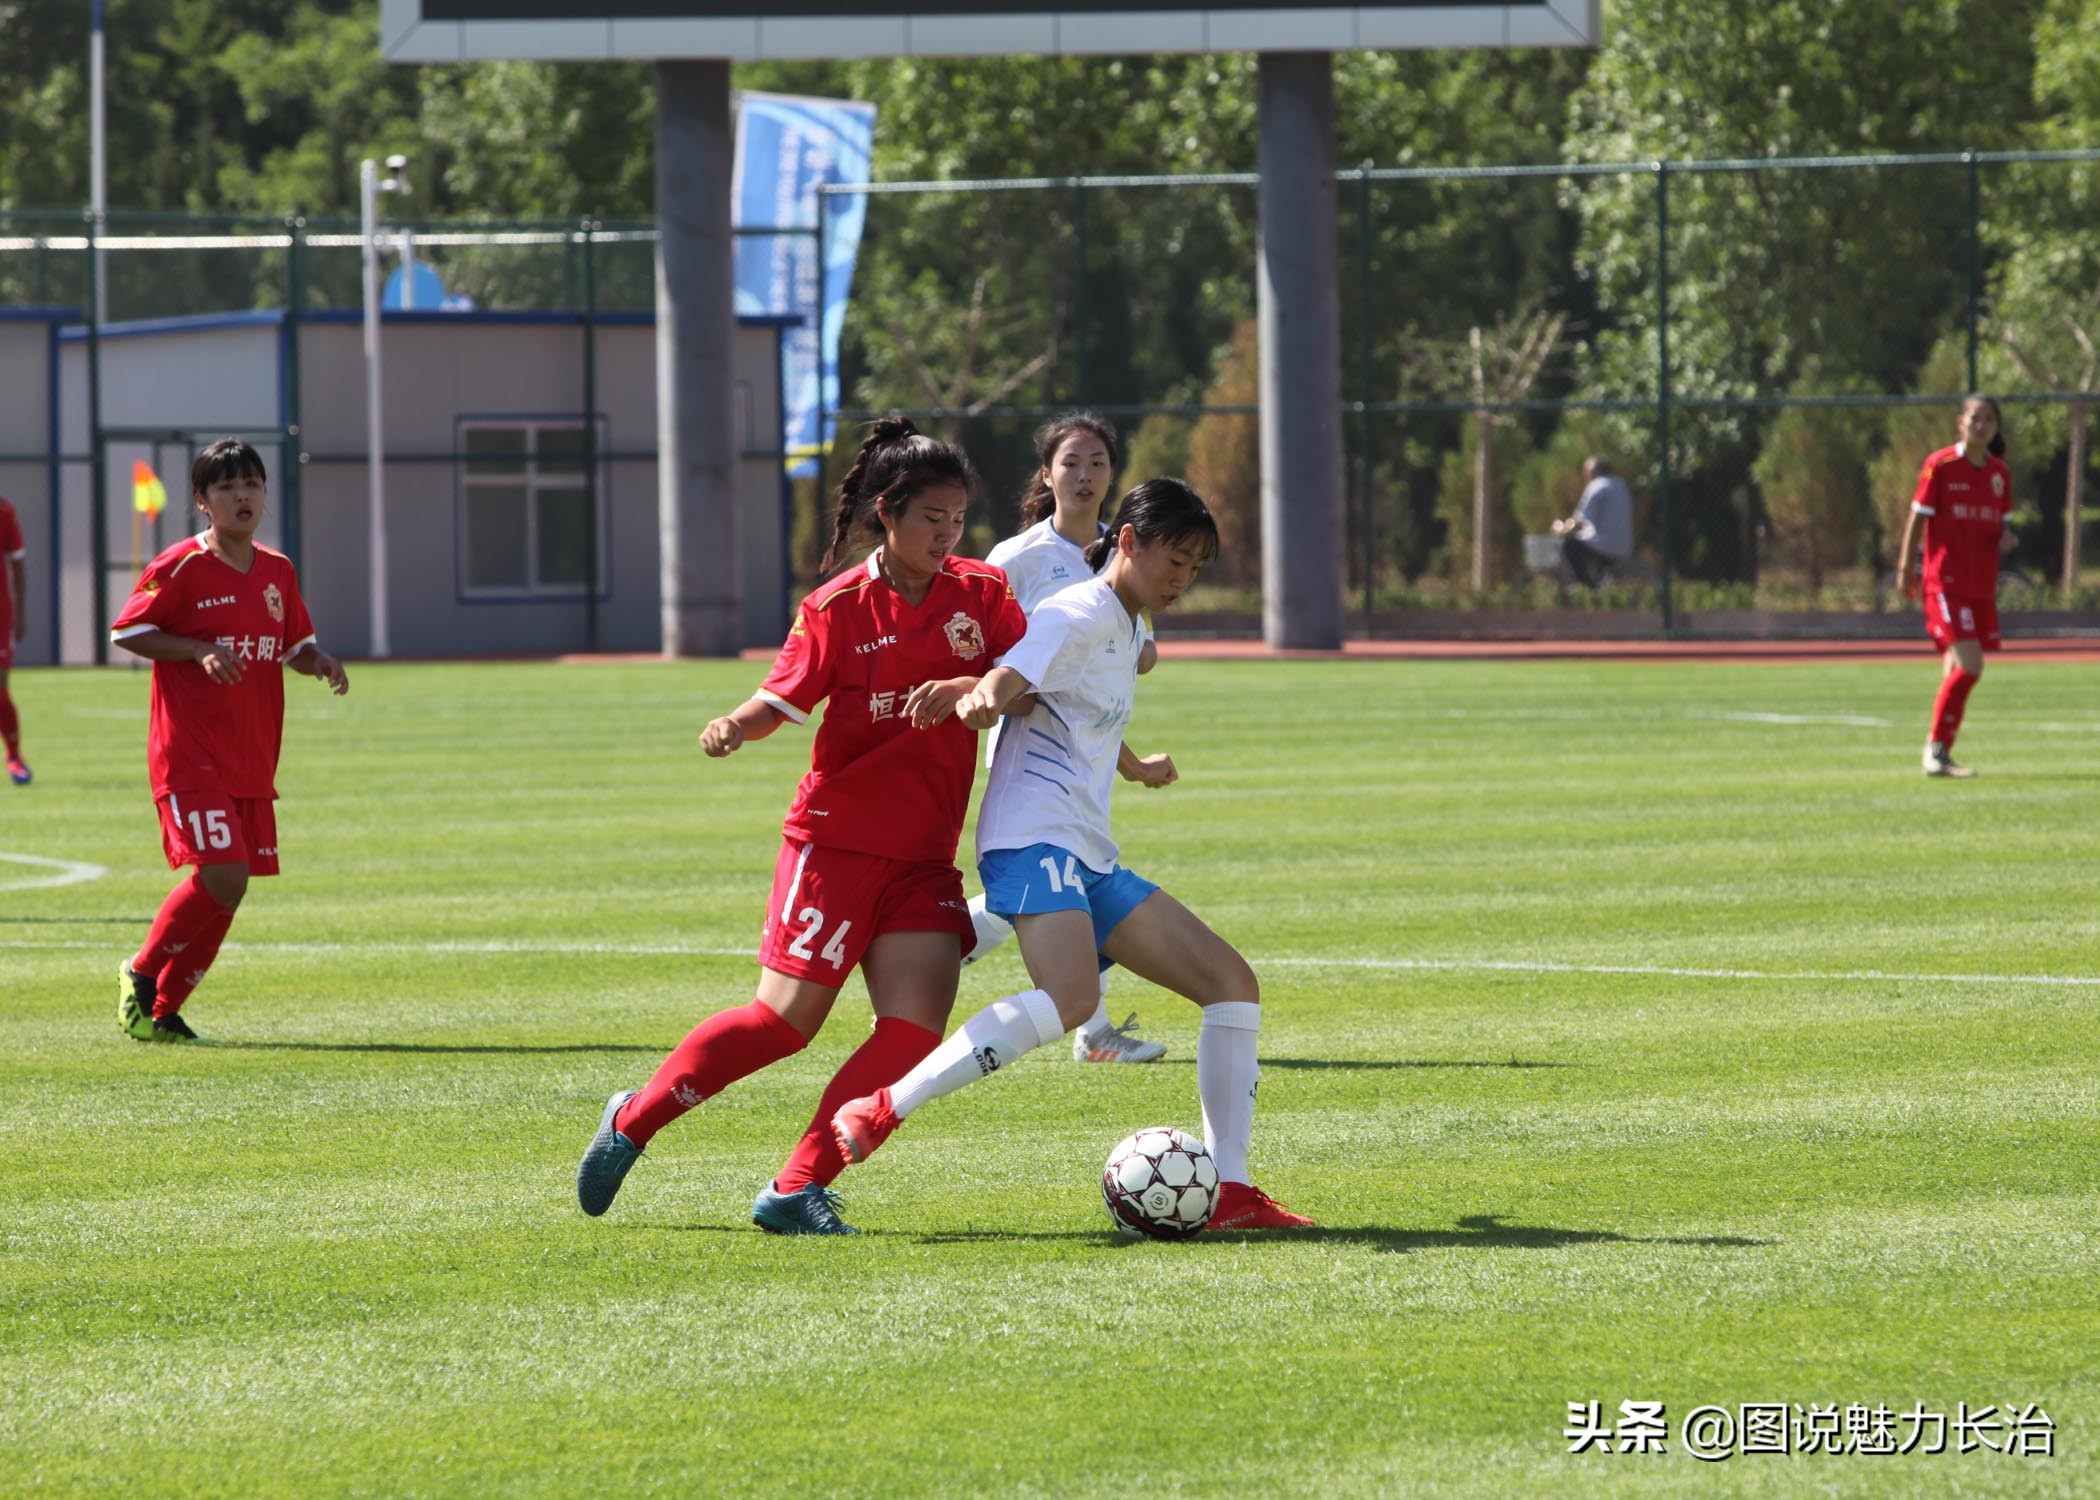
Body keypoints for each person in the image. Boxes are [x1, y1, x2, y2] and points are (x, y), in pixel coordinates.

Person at [575, 416, 1026, 1235]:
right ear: (887, 513)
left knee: (913, 1032)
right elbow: (780, 698)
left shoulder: (983, 596)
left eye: (959, 520)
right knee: (783, 1025)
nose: (948, 534)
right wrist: (732, 725)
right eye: (933, 518)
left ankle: (794, 1186)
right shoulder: (838, 606)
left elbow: (1023, 681)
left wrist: (977, 687)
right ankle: (632, 1119)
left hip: (924, 857)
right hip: (838, 845)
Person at [831, 479, 1314, 1232]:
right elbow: (1017, 672)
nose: (1182, 578)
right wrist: (985, 693)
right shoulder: (1080, 609)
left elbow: (1070, 706)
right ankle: (889, 1106)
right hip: (1031, 831)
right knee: (1074, 999)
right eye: (1174, 560)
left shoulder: (1125, 624)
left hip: (1083, 845)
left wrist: (1127, 765)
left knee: (1231, 984)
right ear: (1128, 542)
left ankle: (1236, 1191)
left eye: (1195, 566)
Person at [109, 439, 349, 1043]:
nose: (242, 495)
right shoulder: (181, 565)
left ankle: (163, 1010)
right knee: (223, 874)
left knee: (231, 886)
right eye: (225, 486)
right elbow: (129, 630)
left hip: (251, 756)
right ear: (202, 501)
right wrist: (197, 648)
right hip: (190, 753)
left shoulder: (277, 570)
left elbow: (294, 644)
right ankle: (139, 973)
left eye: (252, 483)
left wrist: (318, 660)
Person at [970, 411, 1176, 1065]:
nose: (1085, 476)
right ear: (1046, 473)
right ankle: (1090, 1031)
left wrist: (1135, 762)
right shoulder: (1018, 557)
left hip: (1087, 741)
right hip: (1030, 746)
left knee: (1056, 886)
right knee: (1062, 880)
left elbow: (1133, 656)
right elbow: (990, 648)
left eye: (1098, 463)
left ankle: (922, 958)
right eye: (1072, 462)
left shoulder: (1124, 547)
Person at [1894, 394, 2015, 778]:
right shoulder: (1941, 465)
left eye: (1989, 420)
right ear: (1960, 422)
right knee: (1971, 665)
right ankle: (1936, 751)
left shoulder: (1999, 474)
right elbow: (1918, 519)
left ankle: (1939, 750)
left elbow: (1999, 525)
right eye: (1975, 418)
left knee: (1957, 668)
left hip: (1980, 586)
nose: (1982, 426)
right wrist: (1905, 568)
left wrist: (2005, 537)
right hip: (1944, 583)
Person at [1551, 456, 1634, 586]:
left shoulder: (1597, 485)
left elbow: (1580, 521)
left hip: (1603, 545)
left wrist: (1563, 529)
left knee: (1569, 545)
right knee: (1593, 550)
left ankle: (1587, 587)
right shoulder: (1621, 485)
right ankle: (1600, 584)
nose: (1586, 475)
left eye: (1587, 472)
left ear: (1596, 471)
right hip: (1624, 546)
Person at [0, 492, 28, 784]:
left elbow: (18, 564)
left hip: (0, 614)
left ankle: (14, 756)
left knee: (0, 689)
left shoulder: (5, 511)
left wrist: (21, 612)